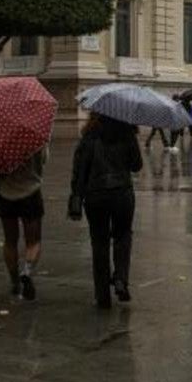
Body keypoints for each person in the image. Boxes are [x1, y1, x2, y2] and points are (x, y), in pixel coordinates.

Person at [70, 113, 142, 309]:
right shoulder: (127, 133)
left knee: (99, 242)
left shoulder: (89, 136)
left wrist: (76, 196)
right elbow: (137, 166)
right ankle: (120, 278)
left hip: (96, 196)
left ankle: (102, 295)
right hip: (122, 194)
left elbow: (79, 170)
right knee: (123, 236)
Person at [0, 143, 49, 300]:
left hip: (6, 195)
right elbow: (43, 161)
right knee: (33, 241)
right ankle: (27, 271)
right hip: (31, 193)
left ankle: (14, 281)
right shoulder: (36, 140)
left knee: (10, 241)